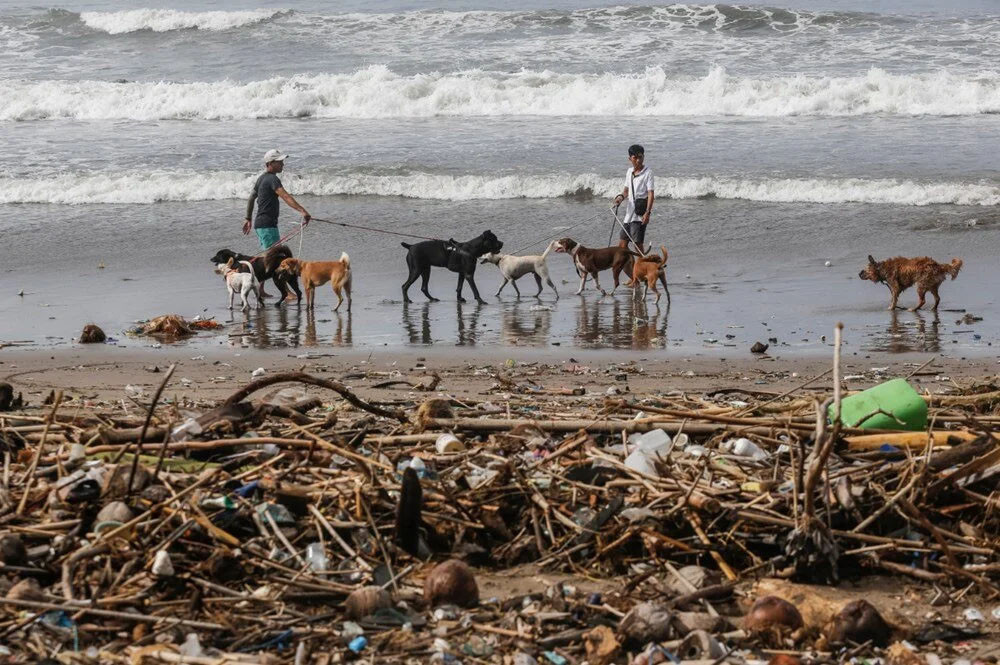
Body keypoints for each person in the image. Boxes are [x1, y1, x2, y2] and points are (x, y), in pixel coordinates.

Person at [242, 149, 312, 250]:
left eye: (282, 162)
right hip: (267, 226)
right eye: (279, 162)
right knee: (274, 259)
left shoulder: (261, 178)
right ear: (270, 163)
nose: (282, 164)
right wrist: (303, 211)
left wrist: (248, 218)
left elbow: (251, 197)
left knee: (272, 258)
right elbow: (285, 196)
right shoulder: (272, 179)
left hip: (261, 225)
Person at [612, 144, 654, 251]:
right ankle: (630, 267)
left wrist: (647, 213)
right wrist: (620, 198)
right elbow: (626, 191)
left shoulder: (648, 172)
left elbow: (650, 194)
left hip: (640, 215)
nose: (639, 160)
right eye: (635, 157)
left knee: (637, 246)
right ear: (630, 158)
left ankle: (644, 267)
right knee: (622, 246)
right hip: (629, 215)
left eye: (641, 157)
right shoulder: (629, 172)